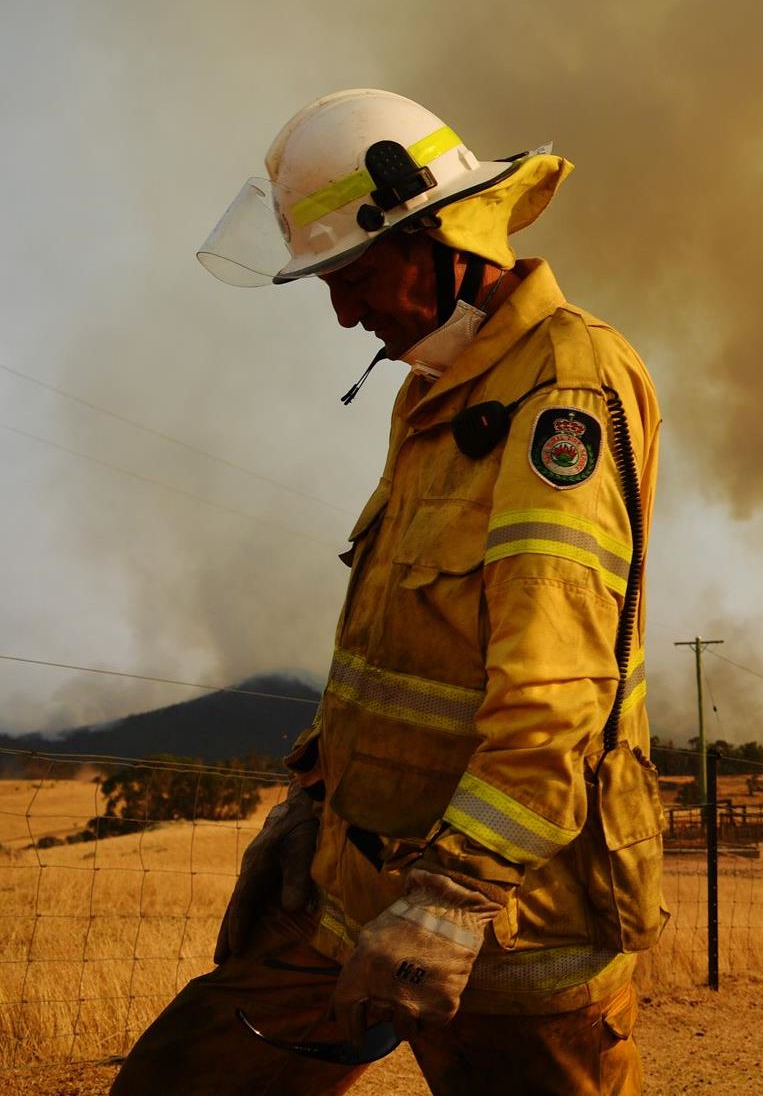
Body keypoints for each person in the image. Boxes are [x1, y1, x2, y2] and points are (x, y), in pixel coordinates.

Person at [111, 89, 666, 1095]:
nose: (342, 309)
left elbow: (555, 692)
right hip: (350, 894)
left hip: (509, 928)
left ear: (444, 234)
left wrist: (454, 895)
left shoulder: (564, 388)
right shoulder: (435, 394)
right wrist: (312, 809)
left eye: (354, 273)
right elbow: (401, 650)